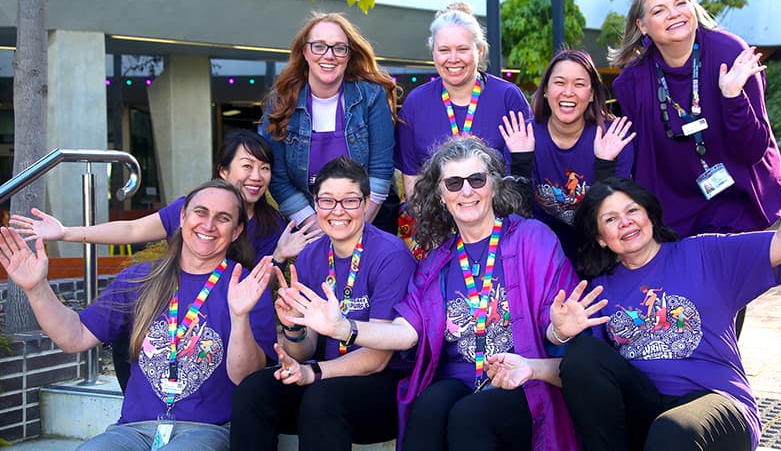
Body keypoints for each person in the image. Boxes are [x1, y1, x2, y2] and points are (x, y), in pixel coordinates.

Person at [544, 96, 781, 451]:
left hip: (713, 406)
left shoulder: (705, 254)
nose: (626, 223)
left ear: (650, 215)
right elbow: (579, 375)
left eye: (632, 210)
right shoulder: (599, 292)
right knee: (583, 357)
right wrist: (553, 337)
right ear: (602, 239)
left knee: (671, 432)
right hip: (646, 409)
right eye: (610, 219)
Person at [286, 137, 581, 451]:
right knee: (428, 405)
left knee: (470, 415)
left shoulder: (530, 239)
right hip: (457, 381)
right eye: (453, 183)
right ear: (441, 195)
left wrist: (561, 330)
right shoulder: (435, 263)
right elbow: (404, 333)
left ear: (494, 186)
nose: (466, 191)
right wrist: (343, 328)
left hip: (519, 380)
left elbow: (555, 322)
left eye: (476, 180)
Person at [10, 131, 311, 392]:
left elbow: (257, 289)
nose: (257, 176)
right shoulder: (192, 208)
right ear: (223, 171)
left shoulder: (272, 225)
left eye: (265, 168)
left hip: (224, 325)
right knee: (131, 328)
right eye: (247, 166)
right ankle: (140, 411)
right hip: (173, 312)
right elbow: (131, 229)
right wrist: (66, 232)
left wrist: (280, 257)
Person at [0, 179, 280, 451]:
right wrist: (37, 288)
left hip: (209, 431)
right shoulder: (140, 278)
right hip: (134, 429)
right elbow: (74, 337)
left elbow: (248, 376)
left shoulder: (245, 286)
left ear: (236, 231)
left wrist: (240, 316)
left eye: (222, 218)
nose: (208, 225)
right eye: (200, 212)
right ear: (182, 217)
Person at [229, 156, 416, 451]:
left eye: (350, 201)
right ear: (316, 205)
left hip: (385, 386)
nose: (338, 211)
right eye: (327, 201)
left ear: (366, 204)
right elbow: (303, 349)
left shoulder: (390, 255)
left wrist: (313, 373)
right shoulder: (311, 255)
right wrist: (293, 329)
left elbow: (377, 358)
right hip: (324, 377)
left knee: (322, 397)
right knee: (254, 390)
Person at [609, 0, 781, 239]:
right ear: (642, 25)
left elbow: (754, 150)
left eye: (681, 3)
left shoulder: (731, 54)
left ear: (693, 7)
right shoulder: (632, 82)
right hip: (674, 215)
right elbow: (642, 162)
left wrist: (732, 95)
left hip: (738, 201)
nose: (674, 14)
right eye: (659, 10)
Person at [260, 12, 400, 235]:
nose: (329, 55)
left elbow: (381, 170)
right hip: (310, 220)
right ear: (305, 51)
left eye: (339, 48)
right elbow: (278, 178)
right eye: (319, 46)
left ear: (349, 55)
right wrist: (318, 228)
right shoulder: (280, 103)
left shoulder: (372, 96)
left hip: (370, 217)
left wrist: (354, 228)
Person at [500, 49, 636, 265]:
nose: (568, 92)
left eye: (579, 84)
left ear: (592, 93)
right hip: (542, 252)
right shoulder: (524, 137)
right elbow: (517, 218)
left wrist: (604, 165)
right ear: (545, 90)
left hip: (600, 250)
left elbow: (613, 218)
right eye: (560, 82)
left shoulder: (613, 137)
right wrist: (521, 163)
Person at [395, 2, 531, 199]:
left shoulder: (507, 98)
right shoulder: (415, 103)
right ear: (433, 52)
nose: (453, 59)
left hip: (499, 222)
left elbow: (522, 173)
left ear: (479, 51)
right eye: (444, 50)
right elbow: (412, 181)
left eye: (462, 49)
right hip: (437, 223)